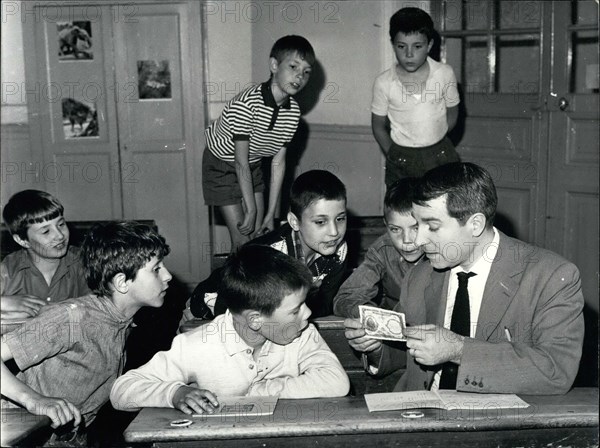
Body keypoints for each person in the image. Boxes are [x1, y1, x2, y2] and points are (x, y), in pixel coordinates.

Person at [345, 162, 584, 394]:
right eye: (418, 225)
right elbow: (408, 352)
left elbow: (556, 371)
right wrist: (376, 347)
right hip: (422, 417)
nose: (417, 241)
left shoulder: (551, 276)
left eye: (433, 226)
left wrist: (459, 351)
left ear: (475, 224)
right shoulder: (420, 276)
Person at [110, 245, 350, 413]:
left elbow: (337, 382)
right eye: (296, 309)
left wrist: (263, 389)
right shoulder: (198, 345)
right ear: (255, 320)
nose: (308, 313)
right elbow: (122, 391)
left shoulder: (301, 331)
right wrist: (174, 394)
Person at [0, 222, 172, 441]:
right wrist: (34, 400)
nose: (167, 276)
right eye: (156, 269)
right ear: (122, 282)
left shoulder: (121, 323)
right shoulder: (72, 317)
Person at [187, 169, 348, 320]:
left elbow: (325, 305)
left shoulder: (338, 249)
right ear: (294, 221)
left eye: (340, 218)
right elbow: (230, 314)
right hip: (208, 312)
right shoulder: (267, 255)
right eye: (320, 222)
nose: (334, 232)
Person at [203, 35, 315, 250]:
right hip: (220, 164)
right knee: (242, 240)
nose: (299, 76)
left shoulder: (293, 114)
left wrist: (272, 212)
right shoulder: (247, 104)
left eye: (306, 71)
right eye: (293, 66)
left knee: (259, 236)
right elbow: (239, 161)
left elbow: (277, 163)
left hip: (252, 164)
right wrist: (252, 210)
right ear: (274, 65)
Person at [371, 7, 460, 187]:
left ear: (429, 45)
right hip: (402, 159)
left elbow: (453, 113)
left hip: (440, 154)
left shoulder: (444, 74)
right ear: (393, 44)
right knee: (402, 209)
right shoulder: (384, 82)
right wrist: (394, 153)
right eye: (401, 46)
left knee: (443, 207)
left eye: (417, 46)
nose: (409, 54)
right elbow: (378, 125)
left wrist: (434, 138)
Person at [333, 178, 424, 318]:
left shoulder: (443, 250)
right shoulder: (382, 250)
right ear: (386, 224)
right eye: (395, 229)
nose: (406, 240)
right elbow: (345, 299)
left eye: (415, 228)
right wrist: (373, 316)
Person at [1, 190, 90, 326]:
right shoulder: (9, 269)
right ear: (22, 240)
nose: (59, 235)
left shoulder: (83, 261)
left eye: (61, 224)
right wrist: (3, 302)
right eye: (46, 231)